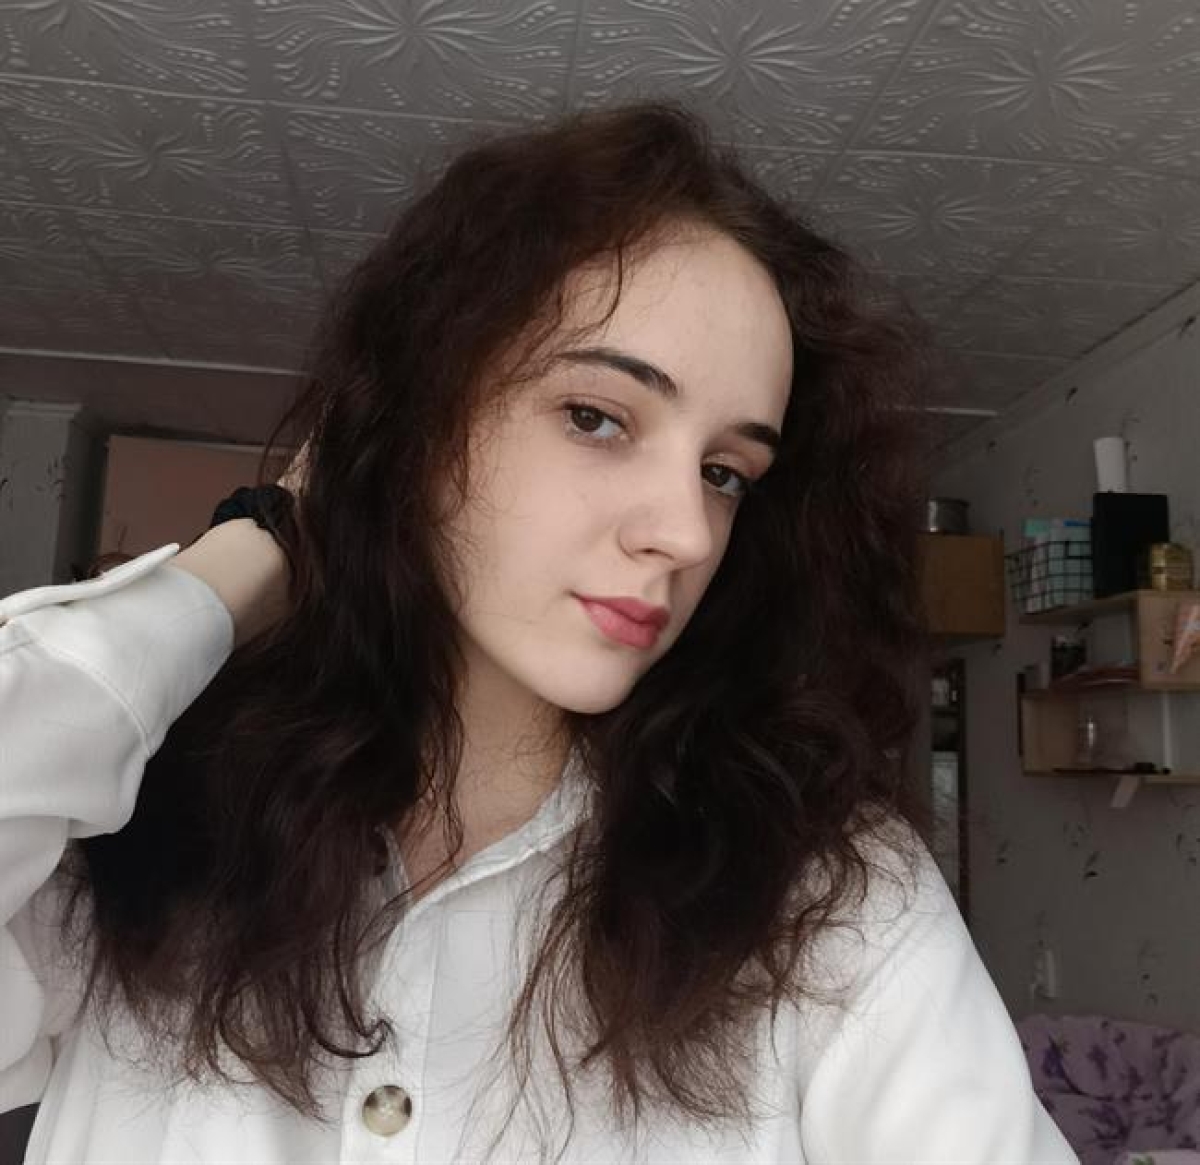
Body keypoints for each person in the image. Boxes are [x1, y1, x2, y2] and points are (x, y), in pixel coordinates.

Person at [0, 102, 1076, 1164]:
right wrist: (260, 546)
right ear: (421, 421)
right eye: (598, 417)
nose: (685, 532)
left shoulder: (830, 900)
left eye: (725, 473)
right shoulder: (137, 821)